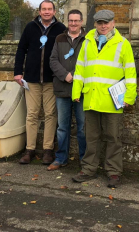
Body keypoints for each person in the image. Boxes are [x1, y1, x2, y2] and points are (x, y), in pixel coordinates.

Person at [71, 9, 137, 188]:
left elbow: (130, 73)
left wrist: (130, 96)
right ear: (95, 24)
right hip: (91, 97)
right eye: (100, 22)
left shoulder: (123, 44)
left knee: (113, 137)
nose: (103, 26)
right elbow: (80, 69)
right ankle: (88, 169)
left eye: (106, 22)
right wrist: (76, 91)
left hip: (112, 100)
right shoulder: (87, 42)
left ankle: (114, 172)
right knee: (90, 137)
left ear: (113, 23)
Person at [14, 0, 66, 165]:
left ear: (54, 11)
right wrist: (17, 72)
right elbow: (21, 49)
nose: (46, 12)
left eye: (50, 9)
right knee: (32, 114)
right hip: (32, 79)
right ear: (39, 11)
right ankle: (30, 150)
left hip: (52, 79)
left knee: (51, 114)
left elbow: (65, 53)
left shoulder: (60, 29)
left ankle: (48, 150)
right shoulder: (30, 27)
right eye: (44, 9)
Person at [47, 9, 86, 171]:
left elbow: (91, 62)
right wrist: (65, 75)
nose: (73, 23)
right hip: (62, 88)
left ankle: (85, 161)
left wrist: (75, 77)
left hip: (82, 90)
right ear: (67, 21)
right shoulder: (59, 38)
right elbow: (53, 60)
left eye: (76, 20)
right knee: (62, 127)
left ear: (81, 22)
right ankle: (61, 158)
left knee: (83, 128)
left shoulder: (88, 40)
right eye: (70, 20)